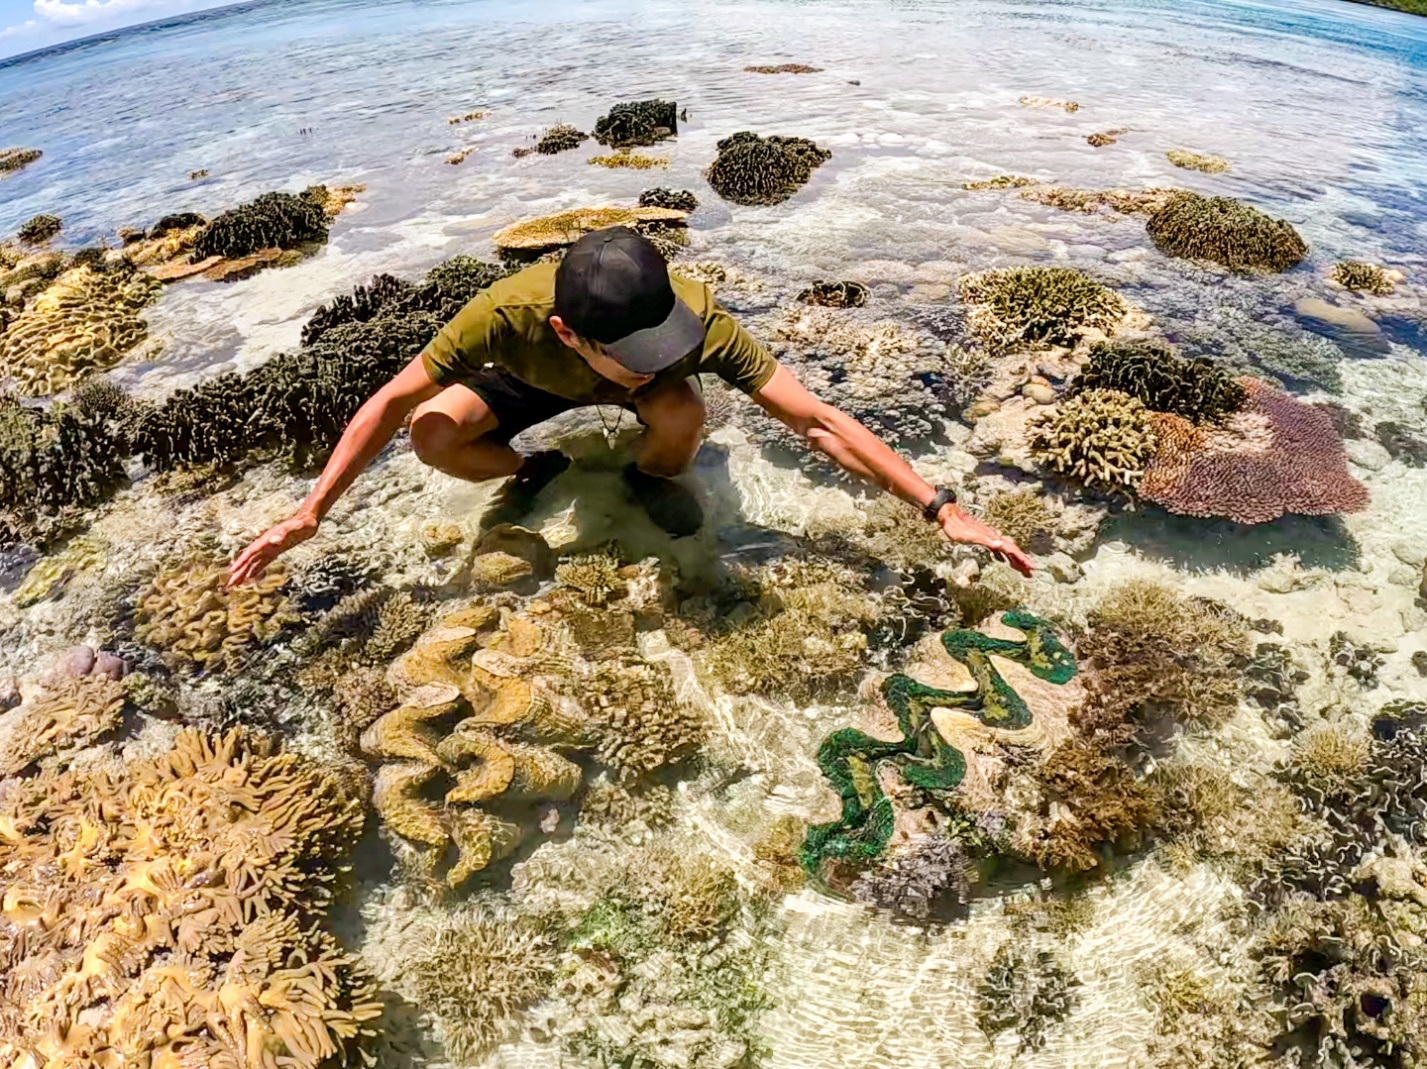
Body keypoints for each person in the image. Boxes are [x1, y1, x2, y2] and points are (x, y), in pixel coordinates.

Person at [226, 226, 1034, 587]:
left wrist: (937, 506)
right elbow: (391, 397)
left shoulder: (695, 322)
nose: (659, 354)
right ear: (564, 331)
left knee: (682, 412)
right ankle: (539, 464)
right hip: (526, 384)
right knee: (429, 431)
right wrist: (312, 511)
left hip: (639, 407)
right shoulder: (503, 314)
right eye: (632, 351)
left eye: (664, 339)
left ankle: (650, 475)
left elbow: (816, 419)